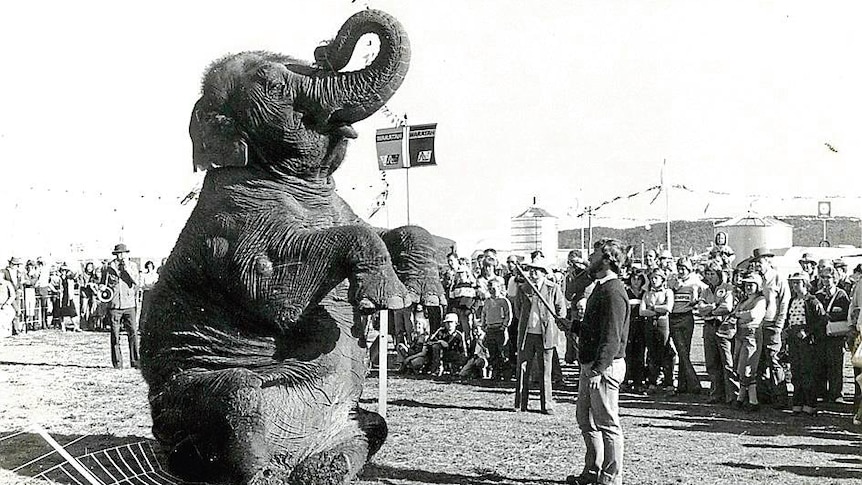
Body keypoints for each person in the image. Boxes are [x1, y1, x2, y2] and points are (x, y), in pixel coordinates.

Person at [568, 238, 629, 485]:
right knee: (585, 419)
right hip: (592, 365)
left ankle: (611, 479)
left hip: (603, 367)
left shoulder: (613, 291)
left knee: (608, 424)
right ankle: (593, 471)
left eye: (593, 255)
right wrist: (574, 326)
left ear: (606, 259)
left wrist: (597, 371)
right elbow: (597, 329)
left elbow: (612, 338)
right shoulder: (601, 287)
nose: (589, 259)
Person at [513, 256, 566, 415]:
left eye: (536, 270)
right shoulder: (523, 288)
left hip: (546, 335)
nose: (532, 273)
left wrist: (551, 324)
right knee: (523, 369)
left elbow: (560, 310)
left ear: (543, 273)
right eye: (530, 270)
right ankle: (520, 404)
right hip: (527, 335)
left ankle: (546, 405)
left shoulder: (552, 288)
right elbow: (518, 310)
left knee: (545, 371)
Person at [750, 247, 790, 408]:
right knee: (759, 361)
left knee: (774, 360)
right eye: (756, 263)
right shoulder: (756, 279)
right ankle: (764, 394)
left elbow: (784, 303)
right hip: (757, 325)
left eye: (760, 262)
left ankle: (781, 397)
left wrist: (779, 325)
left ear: (768, 261)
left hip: (773, 325)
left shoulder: (778, 278)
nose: (758, 265)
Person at [696, 260, 738, 404]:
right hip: (708, 326)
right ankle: (715, 394)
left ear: (719, 274)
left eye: (712, 273)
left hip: (723, 326)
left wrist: (711, 310)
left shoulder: (727, 288)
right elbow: (700, 308)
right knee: (711, 362)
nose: (709, 276)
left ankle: (732, 395)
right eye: (707, 273)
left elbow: (727, 307)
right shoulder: (706, 290)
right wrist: (713, 307)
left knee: (727, 362)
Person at [785, 272, 826, 416]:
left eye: (798, 282)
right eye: (793, 283)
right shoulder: (792, 300)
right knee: (795, 370)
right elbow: (789, 318)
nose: (795, 286)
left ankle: (810, 403)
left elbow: (821, 320)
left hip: (806, 340)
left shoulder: (812, 301)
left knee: (807, 371)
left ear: (805, 283)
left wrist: (807, 332)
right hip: (793, 338)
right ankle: (798, 402)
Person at [668, 257, 705, 395]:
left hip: (687, 317)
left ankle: (683, 385)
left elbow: (705, 292)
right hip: (674, 318)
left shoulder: (695, 282)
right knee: (681, 351)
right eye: (679, 268)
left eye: (684, 268)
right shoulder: (672, 279)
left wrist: (697, 302)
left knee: (685, 352)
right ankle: (694, 383)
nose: (681, 271)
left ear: (689, 269)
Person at [730, 274, 767, 411]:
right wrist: (741, 314)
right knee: (740, 366)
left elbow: (753, 315)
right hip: (740, 333)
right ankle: (743, 397)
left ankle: (752, 400)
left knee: (748, 366)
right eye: (746, 285)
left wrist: (740, 314)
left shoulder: (760, 300)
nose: (749, 287)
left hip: (752, 334)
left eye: (752, 284)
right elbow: (735, 313)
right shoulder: (743, 300)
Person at [814, 265, 850, 404]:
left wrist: (832, 316)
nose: (826, 280)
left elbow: (846, 313)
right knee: (821, 364)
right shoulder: (818, 295)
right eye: (823, 277)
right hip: (821, 335)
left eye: (828, 277)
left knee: (835, 364)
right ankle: (821, 392)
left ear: (834, 278)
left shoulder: (841, 295)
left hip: (836, 336)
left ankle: (836, 393)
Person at [101, 243, 140, 369]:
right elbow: (103, 283)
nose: (121, 256)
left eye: (123, 253)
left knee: (133, 333)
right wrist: (102, 288)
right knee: (115, 334)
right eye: (118, 254)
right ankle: (117, 363)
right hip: (114, 305)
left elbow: (136, 281)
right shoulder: (108, 267)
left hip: (129, 304)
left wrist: (127, 268)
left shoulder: (133, 266)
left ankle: (135, 362)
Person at [640, 269, 675, 392]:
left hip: (663, 323)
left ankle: (669, 382)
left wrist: (653, 307)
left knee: (665, 350)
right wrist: (656, 310)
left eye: (656, 278)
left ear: (662, 279)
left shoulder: (667, 292)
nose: (654, 280)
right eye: (652, 278)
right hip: (650, 323)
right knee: (652, 352)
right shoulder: (647, 293)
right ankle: (652, 381)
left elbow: (668, 308)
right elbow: (641, 311)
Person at [480, 280, 511, 380]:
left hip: (500, 329)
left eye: (494, 288)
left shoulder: (503, 301)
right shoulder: (487, 301)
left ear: (499, 287)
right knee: (492, 352)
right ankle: (495, 373)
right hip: (490, 329)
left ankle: (506, 374)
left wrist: (504, 326)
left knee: (502, 352)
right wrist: (483, 325)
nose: (491, 291)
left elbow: (508, 315)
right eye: (489, 289)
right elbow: (483, 314)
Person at [624, 269, 648, 394]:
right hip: (628, 326)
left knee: (640, 354)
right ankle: (626, 380)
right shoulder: (626, 292)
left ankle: (638, 381)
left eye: (639, 279)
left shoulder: (645, 293)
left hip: (641, 326)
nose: (636, 281)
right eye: (634, 278)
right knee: (628, 353)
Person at [427, 312, 467, 377]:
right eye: (447, 322)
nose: (449, 324)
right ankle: (437, 369)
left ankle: (455, 369)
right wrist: (440, 341)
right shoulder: (440, 331)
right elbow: (429, 342)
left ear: (456, 323)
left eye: (451, 322)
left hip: (453, 355)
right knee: (436, 347)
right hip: (441, 355)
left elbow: (463, 350)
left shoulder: (459, 335)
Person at [2, 257, 25, 334]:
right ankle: (14, 329)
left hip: (17, 294)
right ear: (10, 264)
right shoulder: (4, 272)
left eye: (17, 264)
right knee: (14, 311)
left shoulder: (18, 272)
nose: (15, 266)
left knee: (17, 311)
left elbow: (19, 282)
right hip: (8, 295)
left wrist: (20, 289)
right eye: (14, 264)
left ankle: (15, 329)